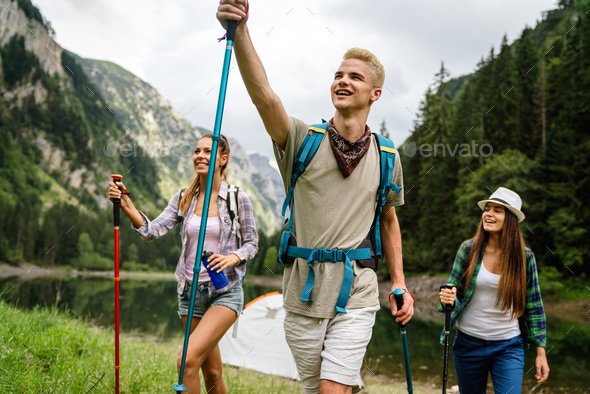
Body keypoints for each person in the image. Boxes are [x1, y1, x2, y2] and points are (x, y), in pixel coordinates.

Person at [216, 2, 414, 393]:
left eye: (354, 77)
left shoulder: (387, 156)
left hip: (356, 291)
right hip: (302, 293)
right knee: (318, 388)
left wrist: (400, 283)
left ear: (374, 93)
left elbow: (388, 219)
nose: (342, 80)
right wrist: (239, 33)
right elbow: (264, 97)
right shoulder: (303, 141)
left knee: (330, 389)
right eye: (338, 74)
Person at [107, 133, 258, 394]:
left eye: (208, 152)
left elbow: (252, 243)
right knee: (210, 371)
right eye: (197, 151)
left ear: (223, 159)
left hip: (225, 292)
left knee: (185, 362)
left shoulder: (237, 198)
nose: (200, 156)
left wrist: (232, 257)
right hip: (189, 294)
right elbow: (151, 231)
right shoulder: (183, 198)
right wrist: (126, 205)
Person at [438, 187, 549, 394]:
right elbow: (455, 294)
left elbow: (534, 306)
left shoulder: (525, 258)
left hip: (508, 346)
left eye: (497, 210)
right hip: (468, 343)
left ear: (511, 219)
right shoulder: (468, 250)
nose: (488, 214)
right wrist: (448, 299)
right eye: (487, 209)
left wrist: (540, 352)